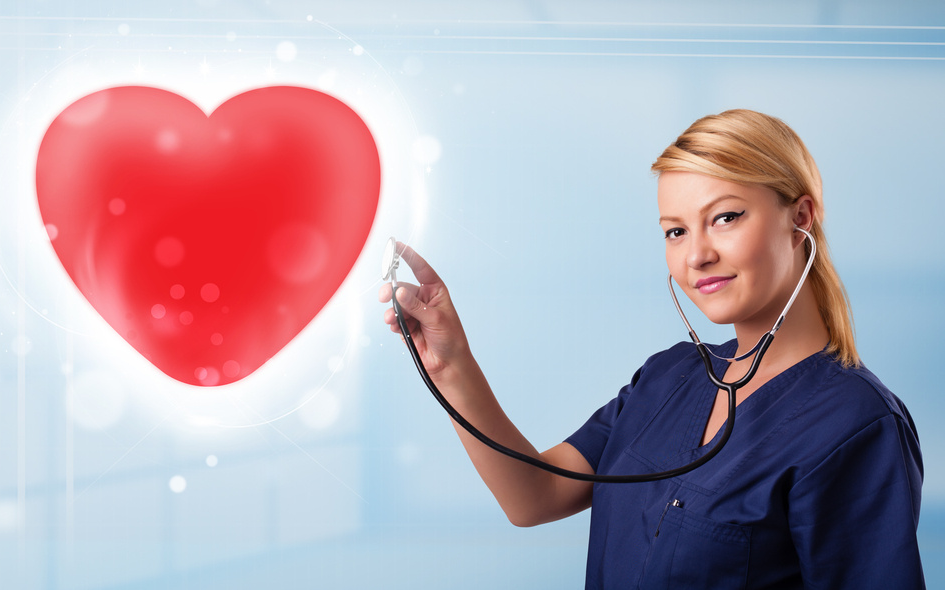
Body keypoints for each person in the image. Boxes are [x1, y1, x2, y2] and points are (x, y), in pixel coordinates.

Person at [379, 109, 924, 589]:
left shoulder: (857, 423)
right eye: (675, 232)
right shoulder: (668, 377)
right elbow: (534, 495)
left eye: (726, 218)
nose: (697, 256)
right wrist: (450, 364)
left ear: (800, 217)